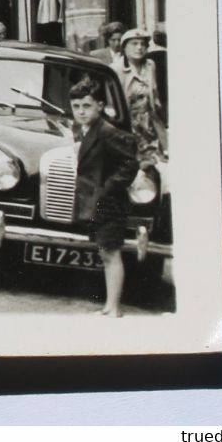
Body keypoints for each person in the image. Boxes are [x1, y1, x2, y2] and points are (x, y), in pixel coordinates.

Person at [69, 75, 139, 316]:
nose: (81, 112)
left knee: (111, 253)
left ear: (100, 105)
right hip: (98, 202)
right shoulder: (86, 129)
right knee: (105, 252)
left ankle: (114, 308)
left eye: (87, 106)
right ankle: (109, 307)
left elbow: (130, 164)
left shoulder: (107, 131)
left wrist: (107, 188)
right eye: (76, 107)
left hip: (110, 203)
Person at [113, 27, 167, 167]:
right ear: (124, 47)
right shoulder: (116, 68)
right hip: (127, 128)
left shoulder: (150, 65)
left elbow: (154, 97)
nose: (139, 47)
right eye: (134, 43)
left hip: (149, 127)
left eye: (143, 44)